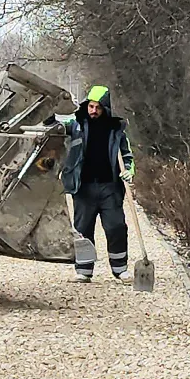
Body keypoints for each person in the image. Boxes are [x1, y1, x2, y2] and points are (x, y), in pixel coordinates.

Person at [50, 85, 135, 284]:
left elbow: (127, 155)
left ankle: (120, 269)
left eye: (97, 107)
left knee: (116, 227)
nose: (93, 111)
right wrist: (48, 112)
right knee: (82, 229)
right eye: (90, 106)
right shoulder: (77, 124)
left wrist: (129, 170)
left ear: (106, 108)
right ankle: (84, 270)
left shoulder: (117, 129)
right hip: (84, 187)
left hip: (110, 188)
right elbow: (56, 127)